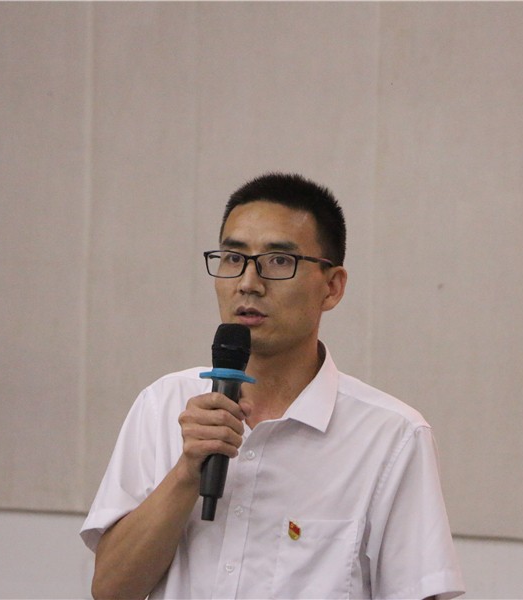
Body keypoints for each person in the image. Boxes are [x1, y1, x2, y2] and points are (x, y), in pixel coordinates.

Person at [81, 173, 464, 599]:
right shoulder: (163, 404)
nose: (248, 282)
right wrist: (187, 471)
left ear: (332, 287)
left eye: (279, 261)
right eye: (233, 258)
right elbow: (111, 589)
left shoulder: (391, 436)